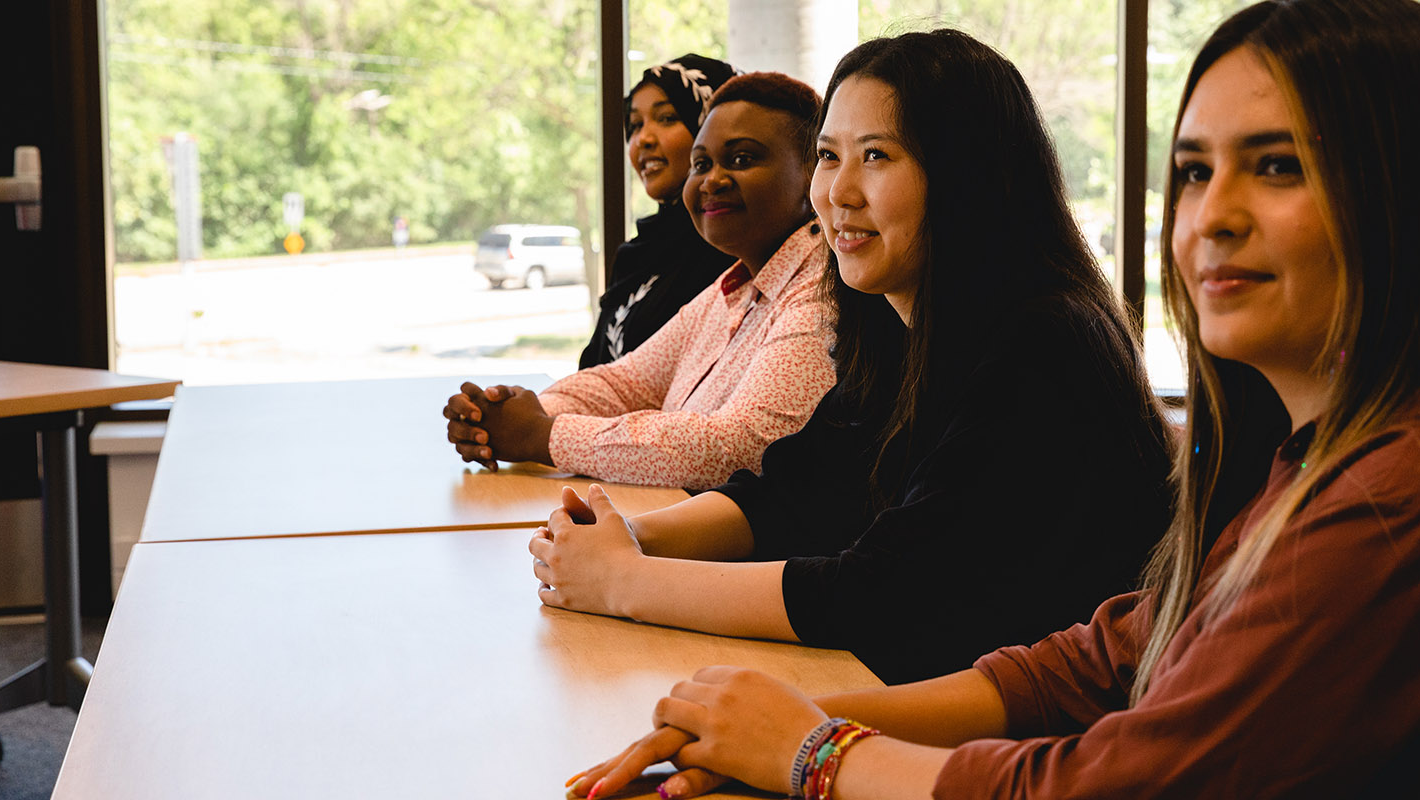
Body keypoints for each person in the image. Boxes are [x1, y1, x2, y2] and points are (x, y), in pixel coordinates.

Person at [562, 3, 1420, 798]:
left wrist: (816, 754)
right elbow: (1111, 654)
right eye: (1196, 170)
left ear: (1414, 204)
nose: (1212, 216)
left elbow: (1118, 779)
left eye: (1278, 165)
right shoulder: (1339, 454)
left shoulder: (1414, 500)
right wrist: (786, 723)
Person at [526, 29, 1173, 687]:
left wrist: (628, 581)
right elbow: (796, 494)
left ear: (967, 173)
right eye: (829, 157)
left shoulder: (1044, 345)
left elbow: (888, 596)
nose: (839, 192)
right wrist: (630, 540)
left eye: (877, 156)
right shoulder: (894, 324)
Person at [444, 73, 835, 491]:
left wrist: (544, 435)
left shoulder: (821, 292)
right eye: (700, 165)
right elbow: (626, 382)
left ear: (814, 170)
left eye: (741, 159)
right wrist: (502, 416)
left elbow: (740, 450)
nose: (712, 180)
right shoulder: (736, 285)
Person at [579, 55, 742, 369]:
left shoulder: (731, 252)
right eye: (635, 125)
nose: (644, 139)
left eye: (667, 118)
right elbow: (595, 368)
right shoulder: (636, 255)